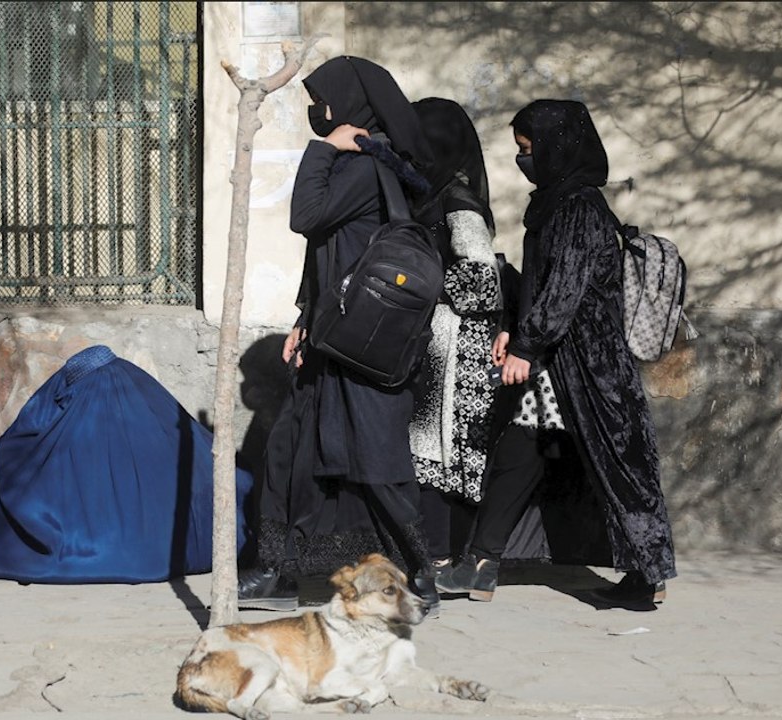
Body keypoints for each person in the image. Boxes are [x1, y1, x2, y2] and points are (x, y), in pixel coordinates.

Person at [436, 99, 677, 607]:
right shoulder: (555, 203)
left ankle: (645, 571)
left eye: (530, 149)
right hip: (559, 359)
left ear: (556, 148)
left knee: (619, 461)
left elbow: (566, 286)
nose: (524, 160)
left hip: (590, 362)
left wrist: (528, 342)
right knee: (522, 448)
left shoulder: (578, 206)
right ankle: (481, 563)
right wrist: (514, 331)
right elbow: (545, 282)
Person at [238, 56, 441, 613]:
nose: (316, 113)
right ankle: (278, 571)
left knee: (375, 460)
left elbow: (305, 216)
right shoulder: (364, 166)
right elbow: (329, 250)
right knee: (292, 450)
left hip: (363, 344)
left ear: (351, 107)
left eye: (322, 101)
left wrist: (325, 147)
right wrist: (305, 318)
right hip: (333, 335)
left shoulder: (367, 168)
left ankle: (420, 574)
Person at [0, 345, 255, 584]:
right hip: (181, 552)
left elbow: (21, 449)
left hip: (88, 551)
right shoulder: (163, 419)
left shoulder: (66, 438)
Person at [404, 98, 503, 581]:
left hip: (457, 346)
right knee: (429, 451)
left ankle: (442, 555)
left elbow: (482, 286)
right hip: (438, 342)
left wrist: (422, 277)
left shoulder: (459, 203)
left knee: (440, 452)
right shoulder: (431, 196)